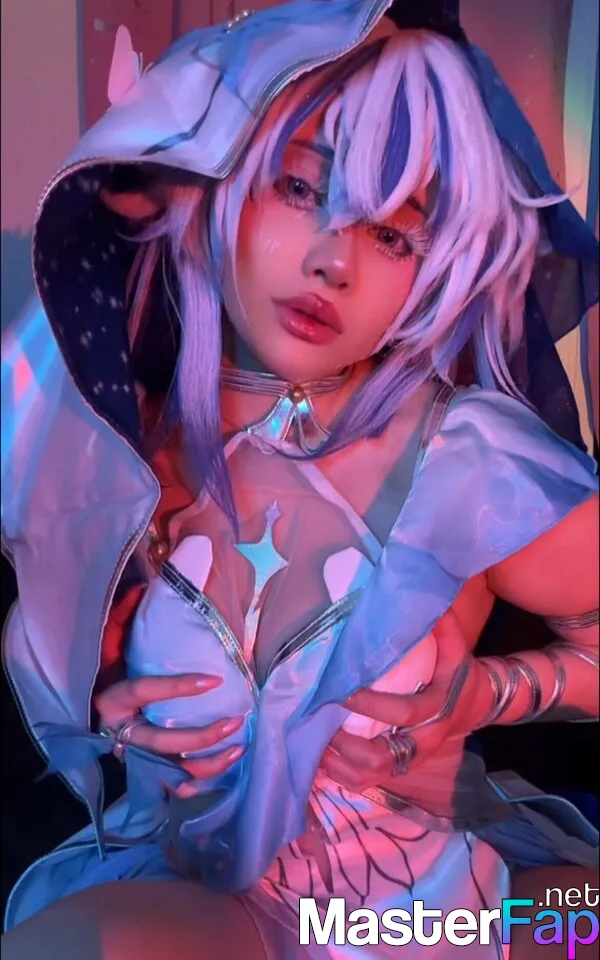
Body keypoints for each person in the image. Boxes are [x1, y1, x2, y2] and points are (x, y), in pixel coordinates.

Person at [1, 1, 598, 957]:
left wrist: (490, 693)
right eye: (300, 188)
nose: (333, 262)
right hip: (207, 904)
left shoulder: (468, 459)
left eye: (394, 235)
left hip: (445, 911)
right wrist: (105, 717)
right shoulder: (114, 451)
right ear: (215, 178)